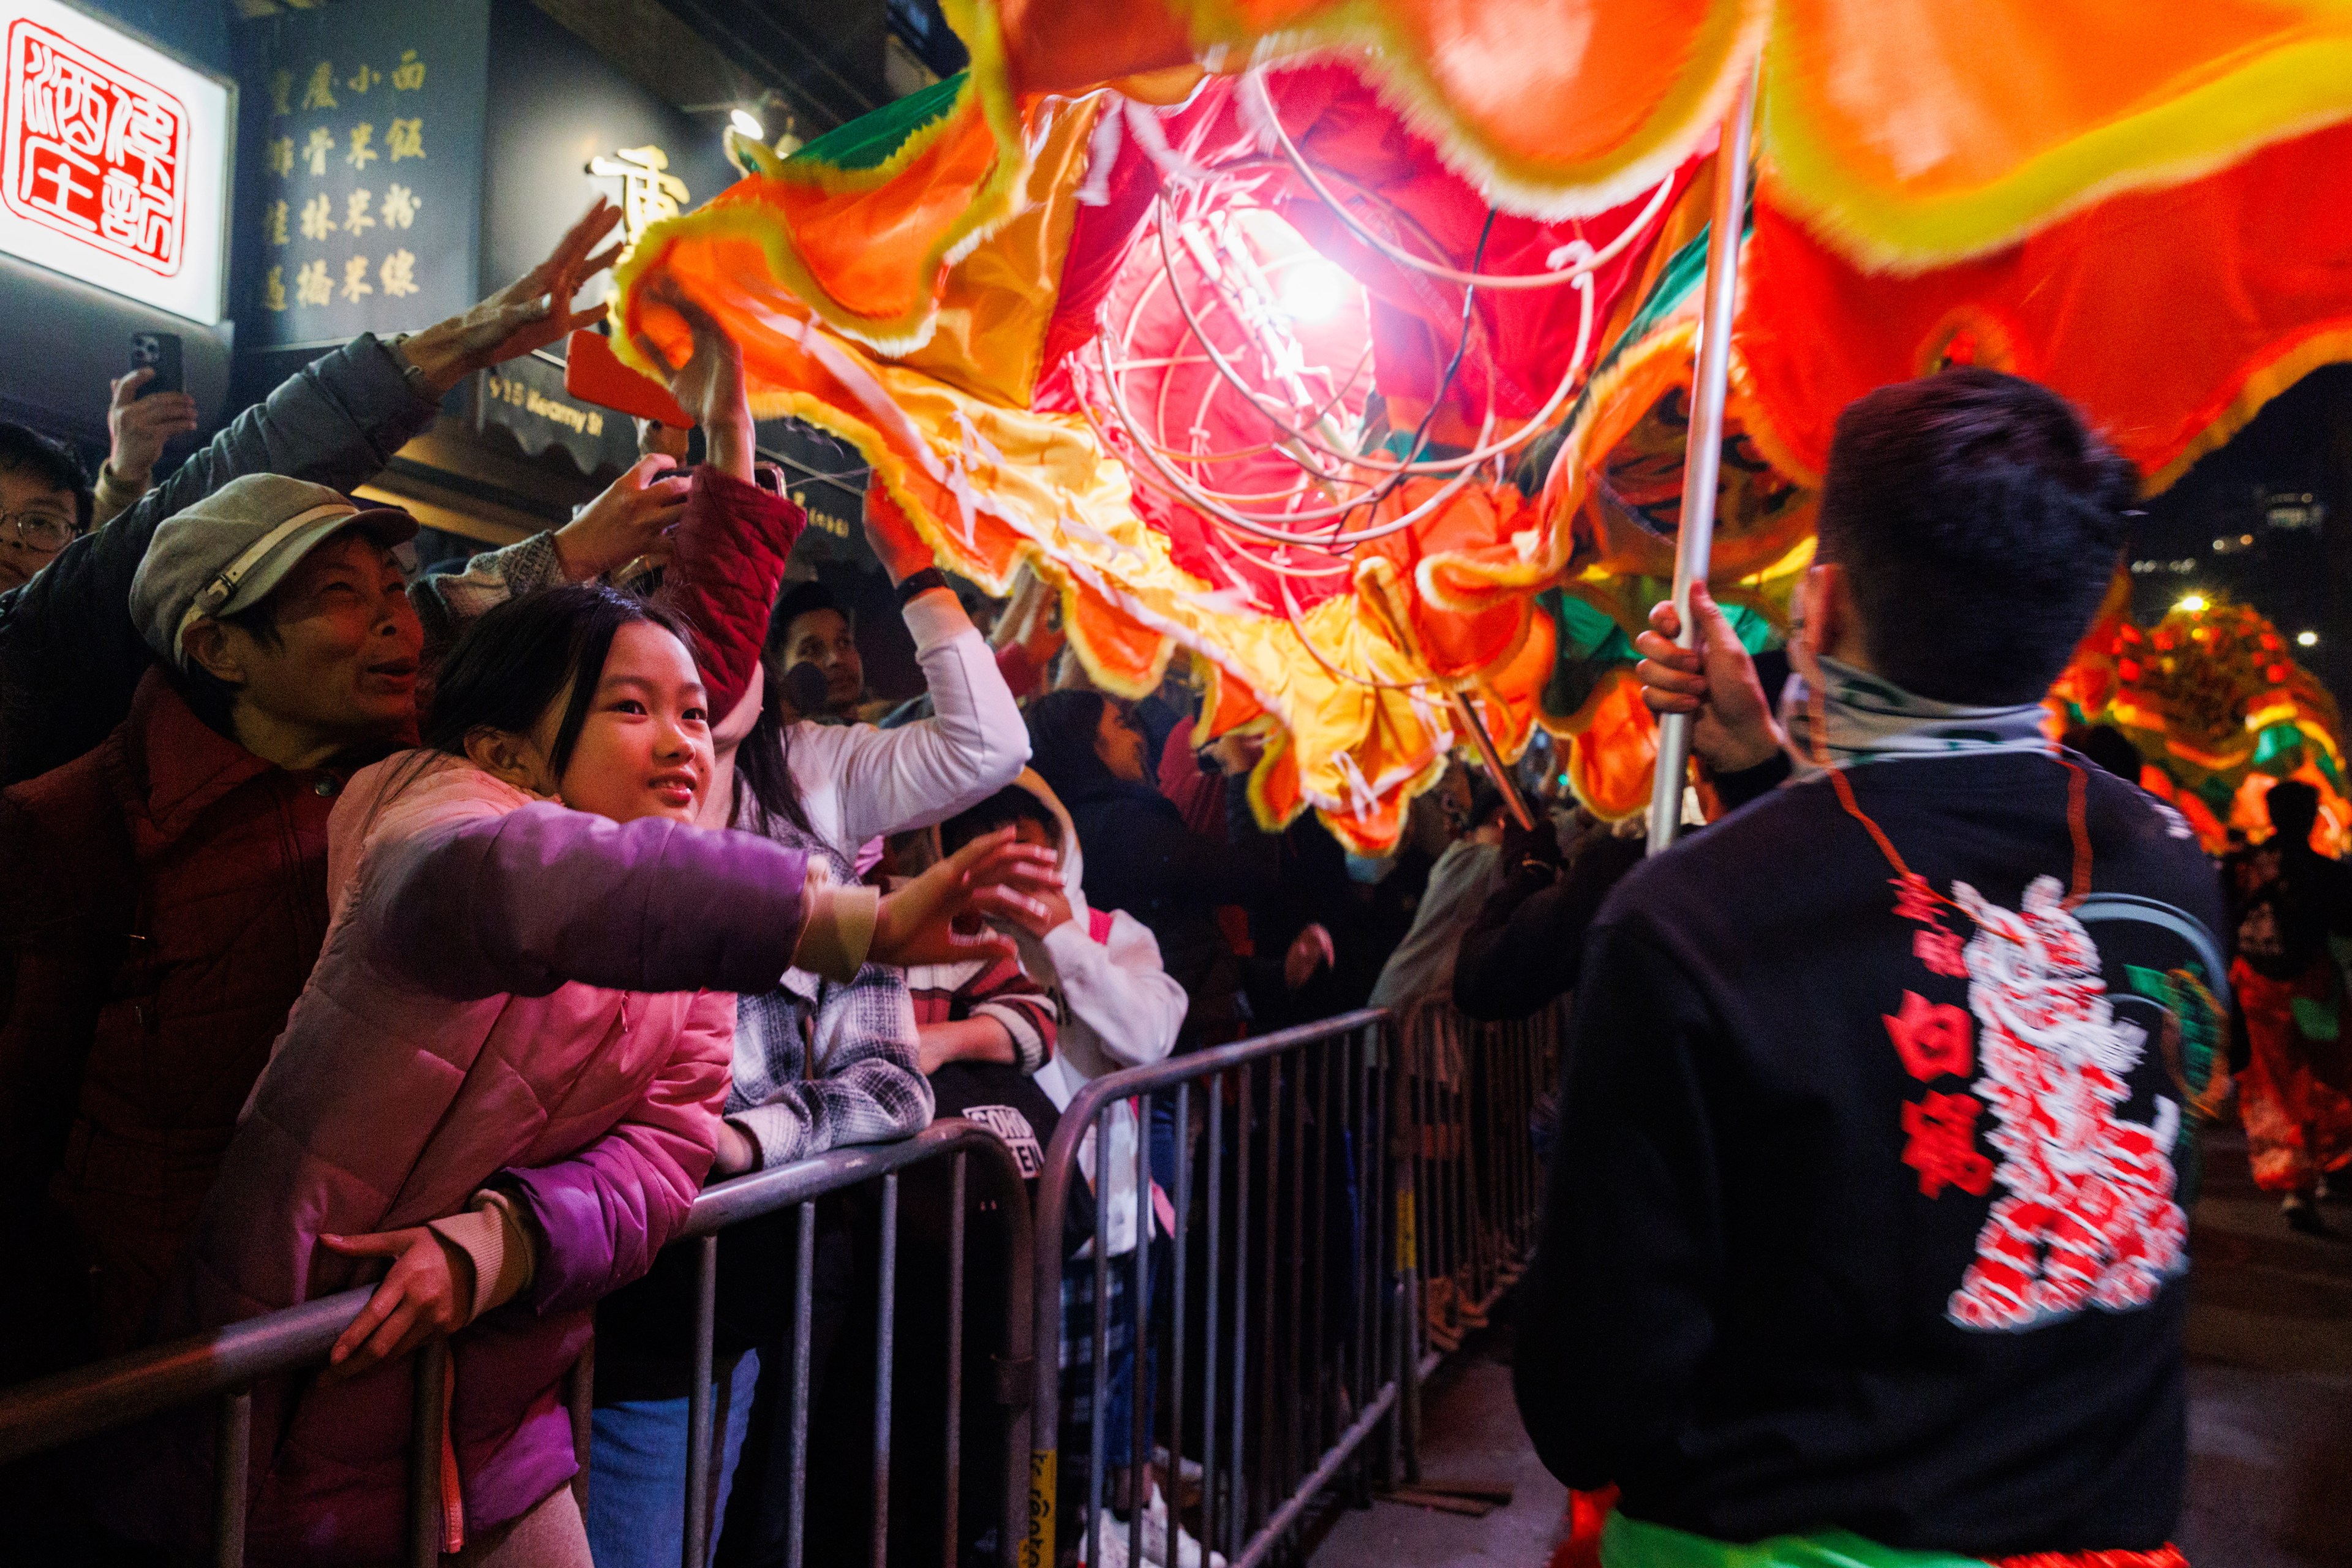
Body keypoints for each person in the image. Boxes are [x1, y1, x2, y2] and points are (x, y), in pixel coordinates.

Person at [131, 582, 1052, 1566]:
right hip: (284, 1394)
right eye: (631, 707)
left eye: (694, 713)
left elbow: (662, 1157)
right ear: (504, 748)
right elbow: (532, 880)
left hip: (496, 1418)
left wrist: (511, 1242)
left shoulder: (700, 934)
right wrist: (841, 922)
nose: (681, 743)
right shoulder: (424, 816)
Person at [1516, 369, 2228, 1567]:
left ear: (1822, 605)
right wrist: (1765, 778)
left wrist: (1762, 807)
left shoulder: (1686, 920)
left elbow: (1594, 1397)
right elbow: (1894, 913)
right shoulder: (2168, 865)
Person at [0, 199, 633, 788]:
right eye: (337, 589)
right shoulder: (93, 829)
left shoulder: (377, 795)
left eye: (38, 521)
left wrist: (460, 343)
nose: (12, 542)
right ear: (215, 646)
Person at [2223, 780, 2352, 1230]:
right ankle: (2329, 1167)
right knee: (2326, 1076)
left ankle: (2294, 1182)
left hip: (2255, 987)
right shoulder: (2326, 871)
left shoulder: (2242, 867)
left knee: (2274, 1086)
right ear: (2312, 817)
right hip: (2313, 987)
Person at [1370, 783, 1507, 1014]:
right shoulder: (1462, 860)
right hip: (1406, 1005)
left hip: (1431, 1008)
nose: (1506, 833)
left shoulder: (1424, 864)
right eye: (1498, 823)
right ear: (1469, 834)